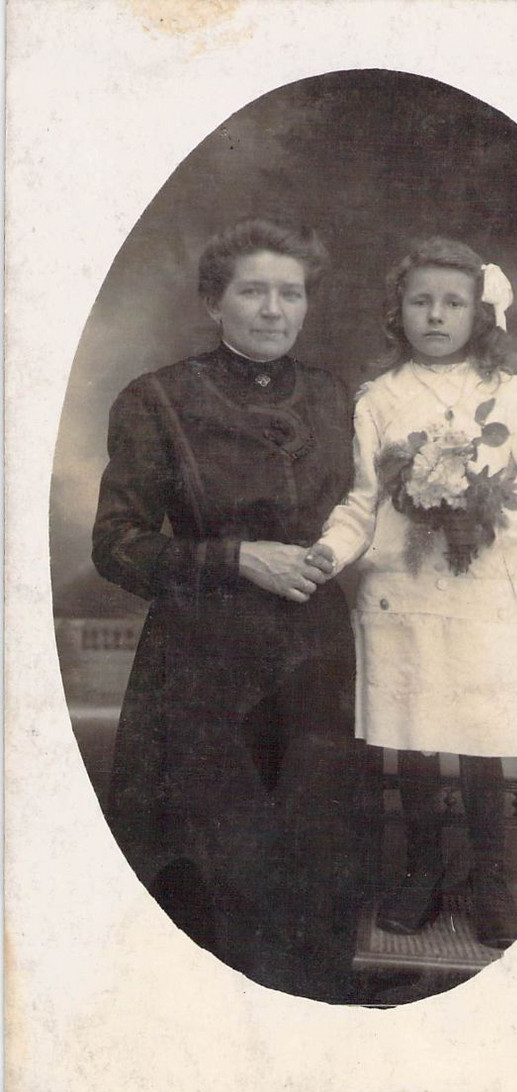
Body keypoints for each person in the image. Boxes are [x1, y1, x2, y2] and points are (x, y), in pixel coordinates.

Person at [92, 217, 377, 1002]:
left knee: (312, 864)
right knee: (214, 873)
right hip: (199, 670)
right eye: (253, 290)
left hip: (314, 662)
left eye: (290, 293)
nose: (273, 309)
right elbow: (114, 545)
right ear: (214, 301)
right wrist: (236, 558)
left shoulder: (332, 398)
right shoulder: (157, 400)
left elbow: (366, 509)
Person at [307, 236, 517, 948]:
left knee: (481, 735)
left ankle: (487, 876)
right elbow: (362, 500)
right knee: (418, 739)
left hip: (483, 591)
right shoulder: (379, 400)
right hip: (403, 596)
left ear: (479, 314)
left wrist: (482, 513)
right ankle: (423, 867)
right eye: (420, 301)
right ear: (398, 311)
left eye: (452, 303)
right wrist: (328, 553)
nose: (435, 315)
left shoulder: (513, 398)